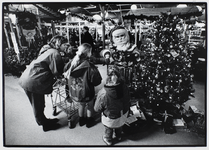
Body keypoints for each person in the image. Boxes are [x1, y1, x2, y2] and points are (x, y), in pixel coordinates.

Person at [19, 35, 69, 132]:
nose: (66, 47)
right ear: (59, 44)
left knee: (39, 103)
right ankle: (44, 125)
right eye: (64, 45)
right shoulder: (55, 52)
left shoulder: (46, 49)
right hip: (33, 81)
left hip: (30, 77)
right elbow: (58, 71)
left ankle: (44, 120)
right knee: (38, 105)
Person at [63, 43, 102, 128]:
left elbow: (65, 74)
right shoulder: (90, 67)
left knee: (81, 104)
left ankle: (81, 120)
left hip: (74, 92)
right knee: (89, 105)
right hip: (87, 92)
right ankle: (89, 121)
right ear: (89, 53)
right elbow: (97, 81)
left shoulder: (71, 63)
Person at [94, 65, 131, 146]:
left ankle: (108, 139)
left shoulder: (103, 93)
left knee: (108, 129)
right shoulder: (125, 87)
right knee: (119, 126)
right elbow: (128, 100)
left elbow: (96, 108)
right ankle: (119, 136)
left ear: (107, 77)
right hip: (123, 115)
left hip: (110, 118)